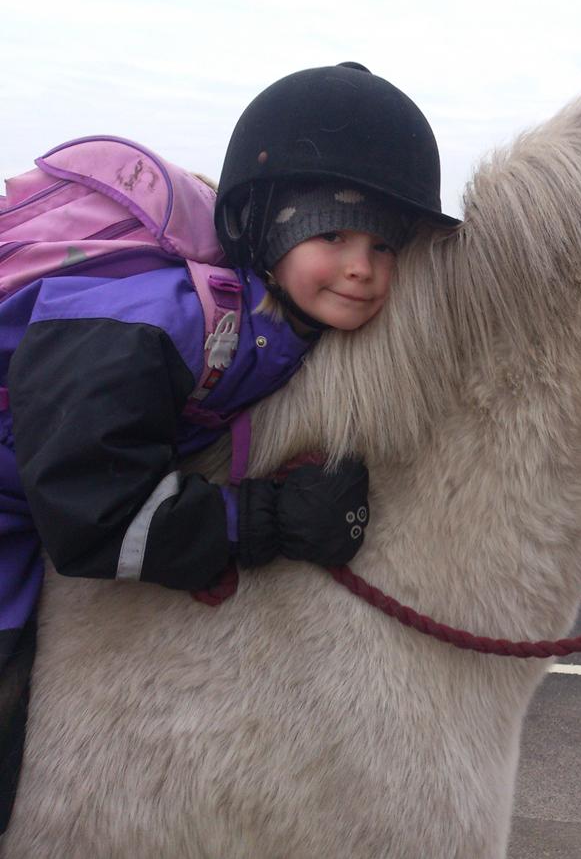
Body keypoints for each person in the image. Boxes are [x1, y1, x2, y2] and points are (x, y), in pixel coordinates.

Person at [0, 62, 460, 831]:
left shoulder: (276, 324)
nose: (362, 267)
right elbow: (92, 512)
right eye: (332, 232)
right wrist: (265, 518)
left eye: (385, 246)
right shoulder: (158, 320)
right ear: (263, 226)